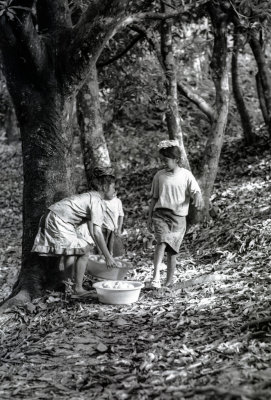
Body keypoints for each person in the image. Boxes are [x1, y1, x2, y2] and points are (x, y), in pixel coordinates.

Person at [31, 168, 118, 296]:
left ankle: (68, 285)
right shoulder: (97, 202)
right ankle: (77, 288)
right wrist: (108, 257)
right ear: (105, 187)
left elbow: (92, 231)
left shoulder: (90, 196)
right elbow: (97, 232)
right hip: (59, 220)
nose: (115, 191)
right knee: (84, 253)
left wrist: (100, 250)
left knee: (73, 252)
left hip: (52, 215)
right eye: (113, 188)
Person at [147, 139, 203, 288]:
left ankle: (169, 281)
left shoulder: (186, 175)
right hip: (160, 215)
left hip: (178, 218)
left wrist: (198, 196)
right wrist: (149, 218)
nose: (163, 163)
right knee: (162, 241)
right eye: (162, 160)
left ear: (176, 160)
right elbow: (153, 198)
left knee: (173, 250)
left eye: (166, 160)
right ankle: (156, 276)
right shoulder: (159, 176)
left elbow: (195, 190)